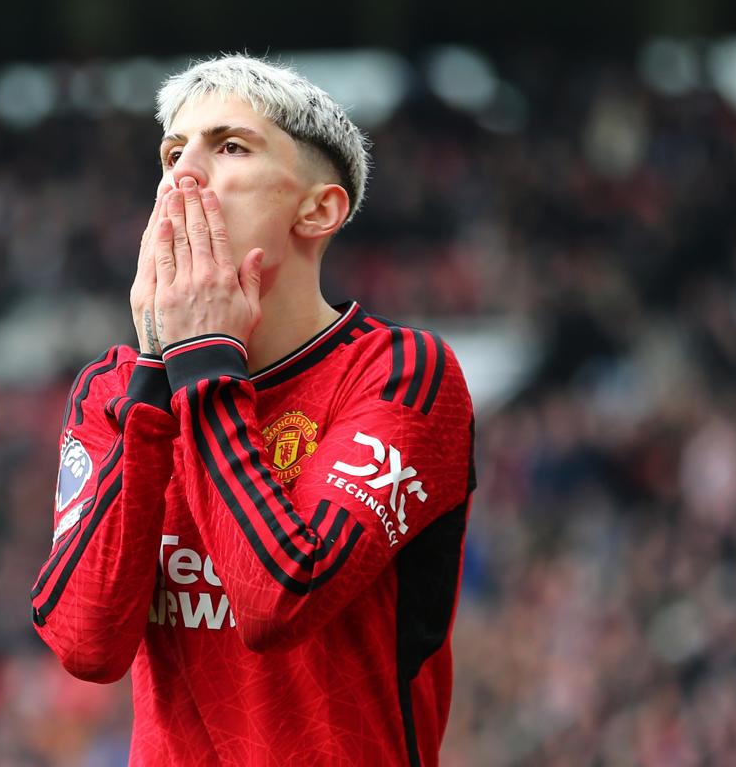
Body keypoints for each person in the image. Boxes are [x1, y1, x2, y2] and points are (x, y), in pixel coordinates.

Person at [29, 55, 476, 766]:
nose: (184, 174)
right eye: (173, 153)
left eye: (230, 146)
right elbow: (85, 644)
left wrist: (203, 363)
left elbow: (278, 598)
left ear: (318, 209)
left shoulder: (400, 375)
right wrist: (155, 375)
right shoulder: (112, 390)